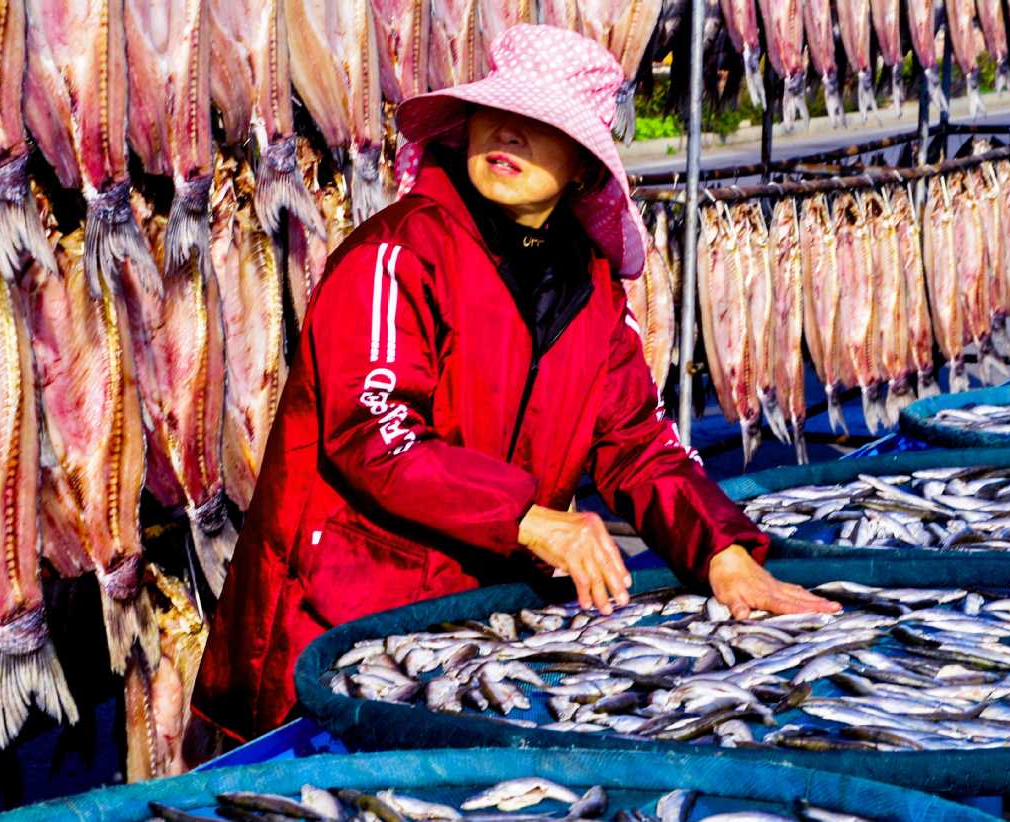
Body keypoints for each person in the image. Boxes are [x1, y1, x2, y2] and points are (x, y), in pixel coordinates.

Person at [190, 23, 837, 746]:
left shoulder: (591, 291)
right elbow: (372, 431)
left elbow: (638, 444)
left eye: (541, 123)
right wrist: (529, 519)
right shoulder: (397, 255)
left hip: (471, 631)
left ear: (584, 168)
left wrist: (720, 551)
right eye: (496, 112)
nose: (508, 133)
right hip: (333, 632)